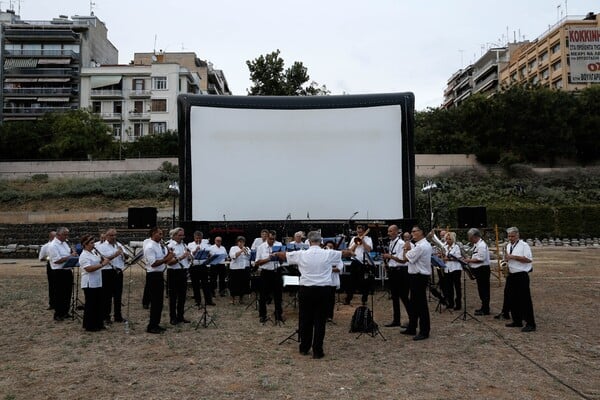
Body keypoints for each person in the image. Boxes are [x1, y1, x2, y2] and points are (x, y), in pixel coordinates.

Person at [275, 231, 353, 358]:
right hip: (323, 290)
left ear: (309, 242)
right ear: (321, 241)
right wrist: (352, 250)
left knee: (305, 319)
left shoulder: (302, 254)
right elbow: (345, 253)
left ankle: (304, 348)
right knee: (320, 321)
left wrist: (276, 254)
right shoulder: (328, 253)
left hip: (306, 290)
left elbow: (284, 255)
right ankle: (317, 351)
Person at [400, 225, 431, 341]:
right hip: (416, 276)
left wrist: (406, 248)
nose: (412, 234)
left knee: (421, 305)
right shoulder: (422, 245)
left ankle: (424, 331)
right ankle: (412, 327)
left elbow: (405, 258)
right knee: (413, 303)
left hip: (419, 277)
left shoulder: (421, 246)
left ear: (421, 232)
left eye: (414, 231)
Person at [503, 227, 536, 332]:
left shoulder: (524, 245)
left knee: (525, 300)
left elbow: (528, 259)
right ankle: (517, 320)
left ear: (518, 235)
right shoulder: (508, 245)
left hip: (521, 275)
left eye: (512, 236)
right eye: (509, 236)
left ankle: (530, 323)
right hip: (511, 274)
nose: (510, 238)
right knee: (512, 298)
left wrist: (513, 257)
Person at [143, 227, 175, 334]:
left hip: (159, 274)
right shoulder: (150, 247)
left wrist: (169, 255)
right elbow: (154, 263)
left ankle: (156, 324)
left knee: (159, 302)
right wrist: (167, 258)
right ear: (153, 234)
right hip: (153, 275)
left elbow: (163, 259)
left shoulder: (159, 245)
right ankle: (151, 326)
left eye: (162, 234)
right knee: (155, 302)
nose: (162, 236)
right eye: (159, 234)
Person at [381, 225, 412, 328]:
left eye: (390, 231)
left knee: (404, 296)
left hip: (401, 272)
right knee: (394, 297)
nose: (388, 233)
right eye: (388, 231)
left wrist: (390, 256)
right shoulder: (391, 243)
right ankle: (396, 319)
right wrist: (387, 263)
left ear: (396, 232)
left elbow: (403, 260)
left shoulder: (401, 243)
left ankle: (412, 319)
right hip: (393, 271)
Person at [79, 234, 110, 331]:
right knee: (91, 304)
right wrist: (102, 264)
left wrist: (102, 259)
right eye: (92, 243)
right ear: (85, 244)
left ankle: (99, 323)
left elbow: (97, 262)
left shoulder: (94, 253)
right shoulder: (84, 255)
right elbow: (88, 269)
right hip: (89, 283)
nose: (94, 245)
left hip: (97, 281)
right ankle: (90, 325)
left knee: (99, 303)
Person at [97, 228, 127, 325]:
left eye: (115, 235)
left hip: (118, 271)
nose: (113, 237)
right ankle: (106, 317)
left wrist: (124, 254)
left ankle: (118, 316)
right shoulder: (102, 246)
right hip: (107, 272)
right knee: (107, 296)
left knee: (118, 295)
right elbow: (104, 260)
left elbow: (126, 257)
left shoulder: (119, 245)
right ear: (106, 236)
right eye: (111, 235)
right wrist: (115, 254)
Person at [48, 227, 78, 321]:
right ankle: (58, 314)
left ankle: (65, 312)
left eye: (67, 234)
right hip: (58, 272)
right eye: (65, 234)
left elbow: (68, 254)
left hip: (67, 270)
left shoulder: (65, 243)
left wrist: (73, 253)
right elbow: (57, 260)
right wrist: (70, 256)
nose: (67, 236)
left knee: (67, 293)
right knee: (59, 294)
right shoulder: (53, 245)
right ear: (58, 235)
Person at [255, 230, 284, 323]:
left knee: (278, 295)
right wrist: (269, 258)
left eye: (274, 239)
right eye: (271, 239)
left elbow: (283, 260)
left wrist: (280, 257)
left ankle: (278, 315)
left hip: (277, 271)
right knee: (263, 295)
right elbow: (257, 262)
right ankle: (263, 315)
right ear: (267, 237)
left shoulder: (279, 245)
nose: (272, 241)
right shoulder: (261, 247)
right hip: (266, 272)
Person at [166, 227, 191, 325]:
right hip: (173, 272)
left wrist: (189, 257)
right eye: (180, 235)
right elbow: (169, 262)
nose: (182, 237)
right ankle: (173, 317)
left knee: (182, 296)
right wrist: (181, 257)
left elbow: (186, 259)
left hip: (183, 271)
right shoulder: (169, 245)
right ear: (174, 235)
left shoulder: (184, 245)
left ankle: (180, 316)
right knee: (173, 296)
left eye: (183, 235)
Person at [463, 228, 491, 316]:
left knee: (484, 290)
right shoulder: (477, 245)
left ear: (474, 236)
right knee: (481, 290)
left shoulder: (481, 245)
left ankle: (486, 309)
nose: (469, 239)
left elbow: (481, 259)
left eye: (470, 237)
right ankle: (483, 307)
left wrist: (469, 260)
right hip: (480, 270)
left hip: (483, 270)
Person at [344, 225, 373, 305]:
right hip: (355, 262)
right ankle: (348, 299)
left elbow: (369, 249)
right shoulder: (353, 238)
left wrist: (363, 241)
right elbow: (350, 250)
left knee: (364, 282)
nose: (359, 232)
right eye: (358, 231)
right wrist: (357, 242)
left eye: (360, 231)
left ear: (363, 231)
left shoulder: (368, 239)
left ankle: (364, 299)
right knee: (351, 281)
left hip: (364, 262)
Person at [187, 231, 214, 306]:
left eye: (200, 238)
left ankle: (208, 301)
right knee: (195, 284)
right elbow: (189, 256)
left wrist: (209, 254)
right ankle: (197, 301)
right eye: (196, 238)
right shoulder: (190, 244)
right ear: (194, 237)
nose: (198, 239)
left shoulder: (205, 244)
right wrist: (195, 250)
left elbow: (210, 253)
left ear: (202, 238)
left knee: (205, 284)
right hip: (194, 266)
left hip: (203, 266)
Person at [440, 232, 463, 310]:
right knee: (449, 287)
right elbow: (443, 257)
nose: (448, 240)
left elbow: (458, 257)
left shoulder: (456, 247)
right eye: (446, 239)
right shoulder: (445, 247)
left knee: (457, 287)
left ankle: (458, 304)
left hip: (455, 268)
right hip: (447, 269)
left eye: (449, 239)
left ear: (453, 239)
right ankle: (450, 303)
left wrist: (448, 259)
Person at [324, 240, 344, 322]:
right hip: (323, 281)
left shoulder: (337, 257)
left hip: (332, 281)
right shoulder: (322, 256)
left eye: (331, 247)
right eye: (327, 247)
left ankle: (329, 316)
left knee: (331, 299)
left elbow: (338, 269)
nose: (329, 249)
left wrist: (328, 269)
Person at [228, 236, 252, 305]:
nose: (241, 243)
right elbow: (233, 256)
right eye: (239, 242)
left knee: (243, 284)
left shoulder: (247, 248)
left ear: (244, 242)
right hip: (235, 269)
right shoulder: (233, 248)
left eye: (242, 242)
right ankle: (232, 299)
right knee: (234, 284)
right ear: (237, 242)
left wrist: (245, 251)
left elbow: (249, 257)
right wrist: (241, 250)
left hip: (244, 268)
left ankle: (241, 299)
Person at [39, 230, 56, 310]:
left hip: (60, 266)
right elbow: (41, 258)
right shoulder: (45, 246)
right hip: (51, 266)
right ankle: (52, 303)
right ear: (50, 237)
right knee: (52, 285)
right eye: (54, 236)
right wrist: (50, 258)